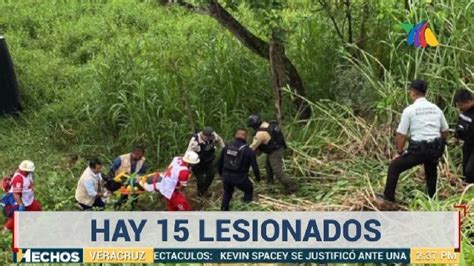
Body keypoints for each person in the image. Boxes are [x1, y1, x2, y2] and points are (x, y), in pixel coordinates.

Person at [377, 80, 449, 203]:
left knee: (394, 167)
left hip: (418, 150)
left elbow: (401, 134)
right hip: (435, 149)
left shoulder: (410, 110)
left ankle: (388, 198)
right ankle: (432, 199)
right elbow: (445, 130)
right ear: (425, 92)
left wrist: (399, 152)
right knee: (431, 171)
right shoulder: (436, 109)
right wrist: (440, 144)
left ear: (413, 92)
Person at [247, 114, 298, 194]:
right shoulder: (268, 125)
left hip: (275, 152)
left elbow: (252, 147)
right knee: (268, 168)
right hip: (276, 148)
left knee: (278, 172)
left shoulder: (260, 133)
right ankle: (270, 186)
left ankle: (292, 186)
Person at [218, 128, 261, 211]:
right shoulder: (248, 151)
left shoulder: (226, 148)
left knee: (227, 193)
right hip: (240, 178)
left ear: (236, 135)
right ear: (245, 137)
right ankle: (245, 209)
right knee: (249, 190)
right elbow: (255, 166)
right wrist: (258, 178)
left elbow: (219, 163)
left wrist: (221, 174)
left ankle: (223, 210)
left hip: (226, 176)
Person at [3, 160, 42, 232]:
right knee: (16, 217)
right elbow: (16, 194)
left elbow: (29, 183)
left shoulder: (27, 174)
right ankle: (5, 231)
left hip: (28, 199)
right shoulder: (19, 178)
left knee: (37, 208)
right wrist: (21, 205)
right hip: (21, 200)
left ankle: (34, 224)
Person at [186, 127, 225, 197]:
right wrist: (188, 166)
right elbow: (188, 153)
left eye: (210, 137)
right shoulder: (195, 141)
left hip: (208, 159)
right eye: (207, 137)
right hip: (196, 161)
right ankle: (200, 194)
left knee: (211, 174)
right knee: (201, 179)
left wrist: (224, 149)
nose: (209, 138)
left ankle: (204, 190)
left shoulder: (213, 136)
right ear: (202, 135)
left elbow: (220, 140)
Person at [453, 89, 474, 184]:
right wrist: (456, 136)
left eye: (461, 105)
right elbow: (460, 125)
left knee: (470, 170)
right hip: (468, 144)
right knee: (465, 170)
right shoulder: (464, 112)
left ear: (468, 102)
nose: (459, 108)